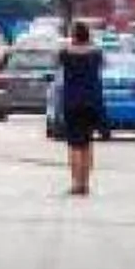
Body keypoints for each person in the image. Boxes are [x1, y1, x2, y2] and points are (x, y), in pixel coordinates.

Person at [56, 21, 107, 196]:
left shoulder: (65, 54)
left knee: (74, 145)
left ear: (73, 36)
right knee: (87, 143)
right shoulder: (96, 54)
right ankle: (85, 183)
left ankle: (76, 184)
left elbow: (59, 58)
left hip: (72, 102)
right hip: (91, 102)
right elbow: (102, 63)